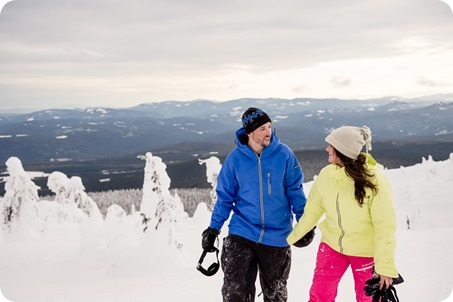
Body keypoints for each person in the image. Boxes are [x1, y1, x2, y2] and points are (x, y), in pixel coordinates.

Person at [201, 107, 307, 302]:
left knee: (276, 295)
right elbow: (224, 198)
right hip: (242, 232)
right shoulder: (234, 159)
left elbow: (296, 191)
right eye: (262, 129)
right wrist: (213, 229)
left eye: (269, 127)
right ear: (249, 132)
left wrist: (305, 224)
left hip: (277, 236)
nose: (269, 132)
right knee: (235, 294)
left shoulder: (284, 155)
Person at [287, 125, 399, 302]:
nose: (326, 149)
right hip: (332, 245)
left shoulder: (375, 182)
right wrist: (292, 237)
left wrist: (385, 267)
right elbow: (313, 210)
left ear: (342, 150)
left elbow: (385, 227)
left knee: (368, 298)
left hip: (365, 251)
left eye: (331, 145)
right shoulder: (327, 175)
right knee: (319, 295)